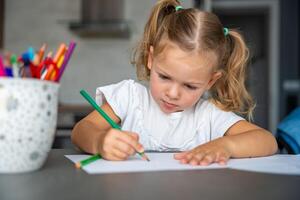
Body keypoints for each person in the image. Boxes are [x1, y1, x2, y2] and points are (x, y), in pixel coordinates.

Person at [71, 0, 278, 166]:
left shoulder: (208, 115)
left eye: (189, 86)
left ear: (210, 81)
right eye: (165, 77)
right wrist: (100, 142)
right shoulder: (129, 98)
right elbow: (82, 130)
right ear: (151, 59)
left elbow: (267, 141)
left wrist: (226, 146)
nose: (172, 93)